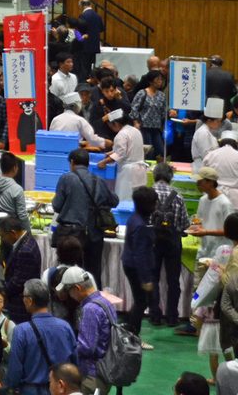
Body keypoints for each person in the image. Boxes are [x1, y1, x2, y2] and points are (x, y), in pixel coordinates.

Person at [51, 148, 118, 288]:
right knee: (93, 274)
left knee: (68, 274)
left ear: (72, 162)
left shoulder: (66, 178)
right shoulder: (98, 181)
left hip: (72, 235)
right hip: (94, 234)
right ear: (88, 163)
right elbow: (114, 201)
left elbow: (57, 206)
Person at [5, 279, 77, 395]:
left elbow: (15, 369)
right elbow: (74, 360)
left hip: (31, 390)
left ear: (29, 300)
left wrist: (11, 387)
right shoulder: (65, 327)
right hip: (61, 389)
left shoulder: (22, 330)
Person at [57, 266, 116, 395]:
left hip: (92, 376)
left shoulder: (90, 309)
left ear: (77, 288)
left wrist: (67, 347)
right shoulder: (106, 302)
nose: (70, 296)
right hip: (106, 370)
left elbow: (87, 348)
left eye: (69, 292)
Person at [151, 162, 190, 326]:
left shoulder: (148, 194)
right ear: (170, 177)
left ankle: (155, 315)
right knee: (173, 281)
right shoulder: (178, 196)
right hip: (173, 241)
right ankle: (172, 316)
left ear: (155, 175)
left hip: (153, 242)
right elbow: (185, 224)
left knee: (153, 279)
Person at [120, 185, 158, 344]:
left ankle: (127, 329)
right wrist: (146, 279)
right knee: (141, 302)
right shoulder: (141, 225)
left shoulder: (134, 218)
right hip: (136, 268)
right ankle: (133, 338)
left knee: (140, 301)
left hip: (130, 264)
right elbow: (140, 254)